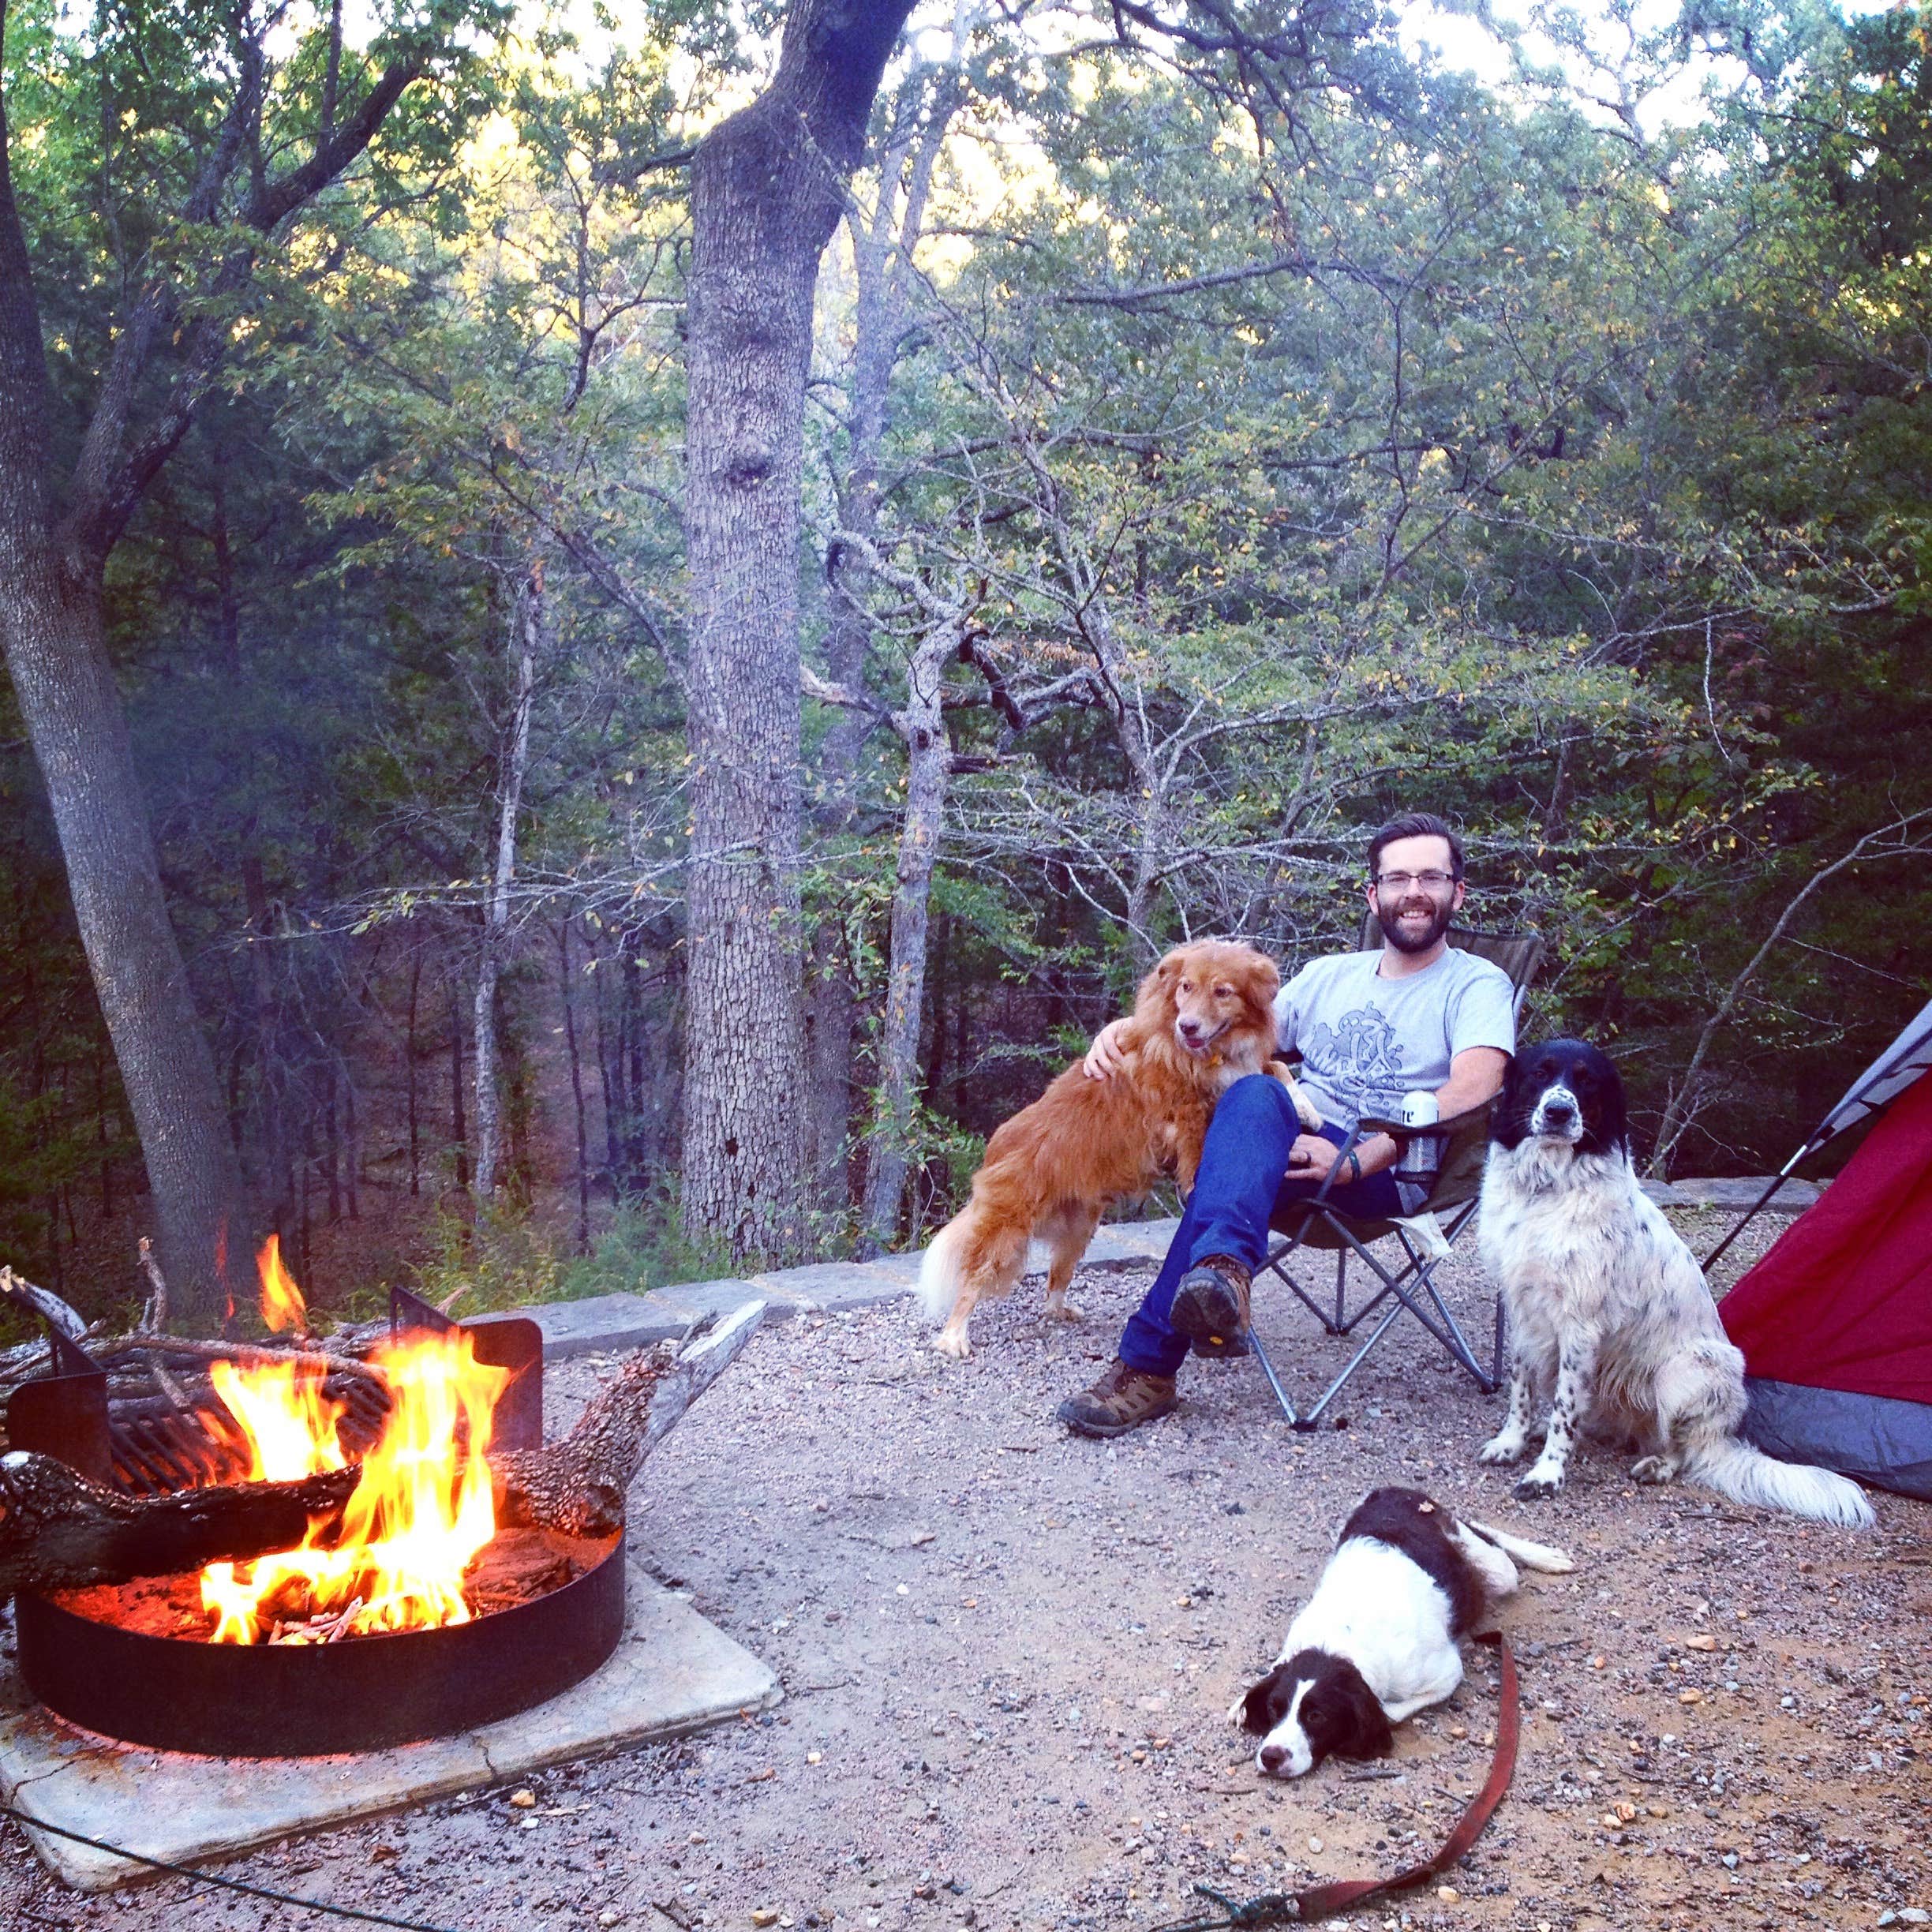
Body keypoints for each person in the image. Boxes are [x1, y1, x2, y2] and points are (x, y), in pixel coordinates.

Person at [1056, 811, 1517, 1436]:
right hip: (1287, 1143)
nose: (1414, 891)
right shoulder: (1331, 975)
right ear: (1372, 894)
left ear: (1456, 893)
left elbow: (1477, 1084)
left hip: (1388, 1165)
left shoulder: (1475, 983)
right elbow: (1235, 1029)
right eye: (1398, 877)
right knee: (1252, 1096)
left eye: (1431, 877)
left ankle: (1149, 1366)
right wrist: (1129, 1032)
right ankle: (1220, 1277)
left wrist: (1364, 1156)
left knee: (1230, 1153)